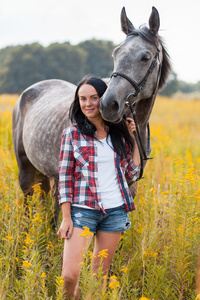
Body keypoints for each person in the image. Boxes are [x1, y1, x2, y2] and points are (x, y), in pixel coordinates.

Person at [57, 75, 141, 299]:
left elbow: (132, 172)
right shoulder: (72, 134)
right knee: (69, 276)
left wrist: (132, 139)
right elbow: (64, 178)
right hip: (82, 211)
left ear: (103, 99)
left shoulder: (117, 134)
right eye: (82, 99)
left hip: (115, 212)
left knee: (97, 279)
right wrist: (67, 217)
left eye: (94, 98)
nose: (88, 104)